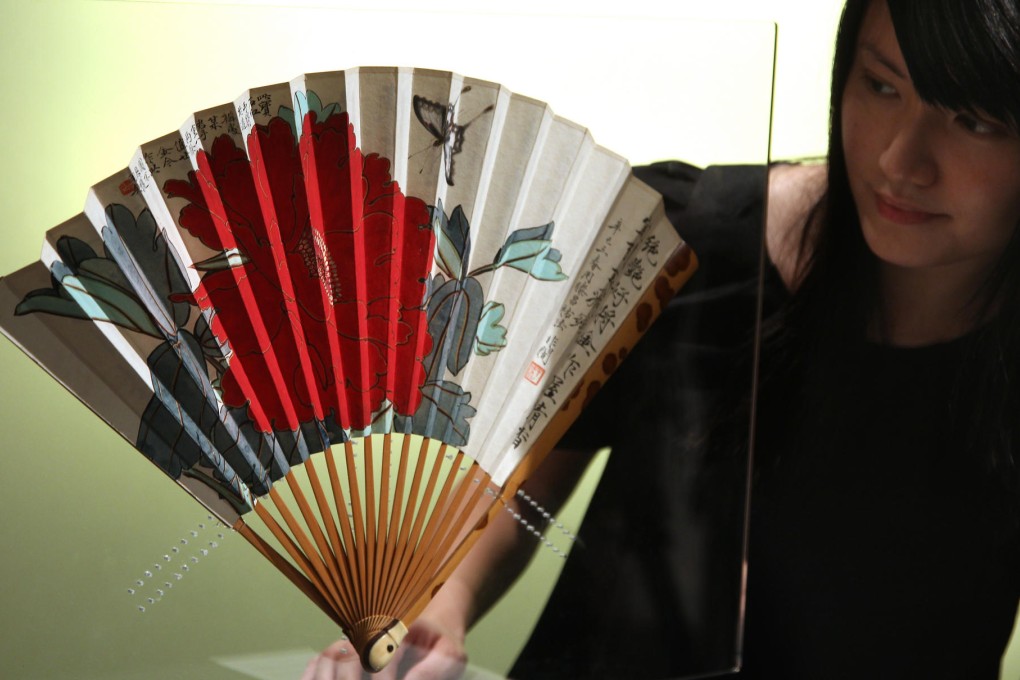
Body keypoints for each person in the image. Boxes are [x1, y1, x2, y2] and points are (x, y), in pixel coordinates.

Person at [304, 0, 1020, 677]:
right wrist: (437, 605)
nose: (900, 161)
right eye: (881, 85)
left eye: (973, 120)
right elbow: (518, 483)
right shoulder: (690, 243)